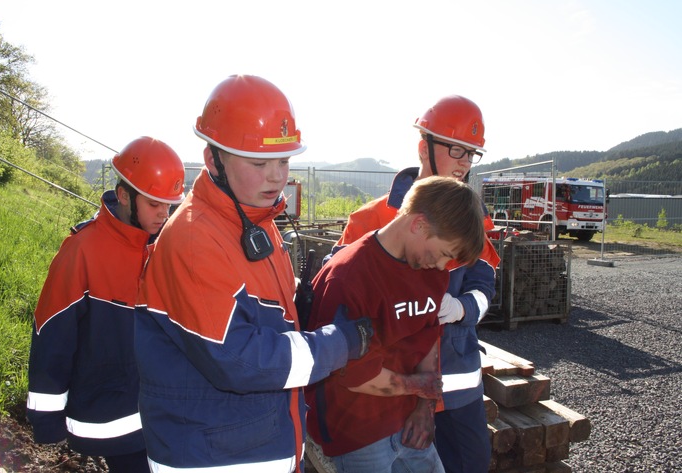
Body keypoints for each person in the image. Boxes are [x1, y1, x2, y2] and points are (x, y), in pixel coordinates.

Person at [133, 74, 372, 473]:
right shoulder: (195, 238)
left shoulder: (254, 217)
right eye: (259, 163)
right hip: (215, 459)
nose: (277, 176)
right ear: (213, 160)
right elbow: (239, 360)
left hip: (252, 446)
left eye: (283, 160)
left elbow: (254, 305)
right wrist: (339, 343)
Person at [335, 95, 501, 473]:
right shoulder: (371, 219)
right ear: (423, 146)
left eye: (472, 154)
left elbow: (485, 283)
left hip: (457, 384)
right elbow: (341, 301)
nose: (464, 162)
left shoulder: (473, 219)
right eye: (457, 148)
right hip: (389, 388)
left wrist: (462, 309)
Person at [27, 136, 186, 472]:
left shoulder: (165, 248)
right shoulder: (83, 250)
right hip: (112, 418)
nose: (164, 214)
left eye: (169, 205)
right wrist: (46, 420)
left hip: (162, 413)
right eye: (154, 204)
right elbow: (51, 335)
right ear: (125, 195)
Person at [305, 176, 485, 473]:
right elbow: (355, 376)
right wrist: (418, 387)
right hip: (355, 434)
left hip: (409, 425)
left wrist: (424, 408)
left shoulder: (432, 273)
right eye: (443, 254)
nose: (442, 267)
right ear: (419, 224)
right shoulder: (349, 275)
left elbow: (429, 339)